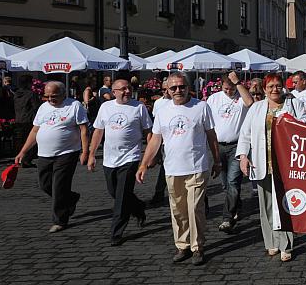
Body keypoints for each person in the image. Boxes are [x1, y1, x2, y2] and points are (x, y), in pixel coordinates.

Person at [136, 73, 221, 266]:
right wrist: (143, 164)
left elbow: (211, 136)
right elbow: (156, 139)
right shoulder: (163, 111)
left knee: (195, 209)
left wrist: (217, 161)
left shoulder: (201, 107)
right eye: (173, 88)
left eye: (181, 87)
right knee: (178, 210)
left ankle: (197, 247)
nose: (177, 91)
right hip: (173, 168)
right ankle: (182, 245)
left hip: (197, 167)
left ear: (187, 87)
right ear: (167, 90)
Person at [237, 73, 302, 262]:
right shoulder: (256, 108)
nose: (275, 89)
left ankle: (286, 245)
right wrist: (243, 156)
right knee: (265, 206)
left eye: (278, 85)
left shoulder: (294, 105)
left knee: (285, 204)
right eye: (270, 86)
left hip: (286, 164)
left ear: (283, 87)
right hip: (261, 162)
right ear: (264, 89)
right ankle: (271, 242)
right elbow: (245, 134)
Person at [14, 81, 89, 232]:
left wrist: (85, 152)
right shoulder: (43, 107)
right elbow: (35, 131)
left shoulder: (74, 106)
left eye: (53, 96)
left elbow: (84, 130)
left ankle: (60, 220)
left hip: (67, 153)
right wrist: (23, 151)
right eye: (46, 96)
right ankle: (71, 198)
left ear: (63, 94)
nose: (49, 99)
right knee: (45, 185)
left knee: (59, 186)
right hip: (44, 153)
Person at [87, 79, 153, 245]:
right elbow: (98, 132)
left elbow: (149, 133)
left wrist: (151, 156)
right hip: (109, 159)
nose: (127, 91)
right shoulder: (106, 107)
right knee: (114, 192)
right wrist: (91, 154)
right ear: (114, 91)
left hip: (131, 158)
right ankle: (138, 206)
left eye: (129, 88)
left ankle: (116, 232)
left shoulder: (139, 107)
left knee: (121, 197)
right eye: (123, 89)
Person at [206, 71, 252, 233]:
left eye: (231, 89)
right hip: (219, 146)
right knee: (226, 184)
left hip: (237, 146)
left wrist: (238, 84)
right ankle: (236, 205)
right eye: (226, 89)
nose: (228, 92)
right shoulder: (214, 99)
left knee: (233, 181)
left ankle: (227, 218)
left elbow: (250, 102)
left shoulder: (241, 96)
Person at [13, 74, 40, 167]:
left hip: (18, 119)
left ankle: (20, 158)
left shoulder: (16, 94)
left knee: (20, 140)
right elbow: (36, 107)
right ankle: (26, 160)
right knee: (30, 140)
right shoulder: (31, 94)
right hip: (29, 120)